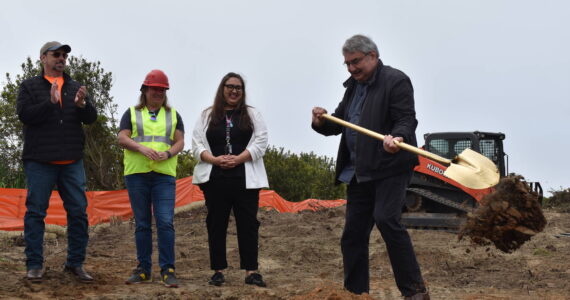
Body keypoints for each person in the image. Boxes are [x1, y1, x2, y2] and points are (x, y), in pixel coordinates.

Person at [311, 34, 430, 300]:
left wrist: (398, 137)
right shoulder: (353, 87)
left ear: (372, 56)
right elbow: (338, 123)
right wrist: (320, 121)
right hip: (358, 172)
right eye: (347, 64)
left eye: (356, 62)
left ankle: (415, 292)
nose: (352, 68)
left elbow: (406, 119)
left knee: (387, 220)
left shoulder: (395, 80)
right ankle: (355, 294)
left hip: (389, 168)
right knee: (352, 234)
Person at [16, 41, 97, 283]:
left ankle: (75, 263)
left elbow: (91, 118)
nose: (61, 58)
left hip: (72, 161)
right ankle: (34, 265)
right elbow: (24, 115)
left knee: (78, 214)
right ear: (43, 58)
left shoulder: (75, 86)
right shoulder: (29, 86)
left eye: (64, 55)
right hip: (40, 161)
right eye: (56, 55)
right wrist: (49, 103)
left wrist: (83, 105)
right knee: (35, 213)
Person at [192, 72, 269, 288]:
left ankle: (251, 271)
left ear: (242, 91)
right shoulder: (207, 115)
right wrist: (215, 160)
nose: (234, 91)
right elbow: (196, 144)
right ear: (222, 88)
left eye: (238, 87)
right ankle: (218, 271)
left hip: (245, 179)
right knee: (216, 224)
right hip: (215, 178)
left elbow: (261, 142)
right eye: (230, 86)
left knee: (249, 224)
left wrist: (238, 159)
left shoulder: (252, 114)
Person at [118, 69, 184, 288]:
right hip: (137, 174)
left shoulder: (173, 115)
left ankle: (168, 269)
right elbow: (122, 137)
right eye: (154, 88)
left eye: (162, 89)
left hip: (164, 176)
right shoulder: (131, 113)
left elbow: (179, 142)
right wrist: (141, 148)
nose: (158, 92)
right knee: (143, 224)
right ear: (144, 90)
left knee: (165, 221)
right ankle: (144, 270)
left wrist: (168, 153)